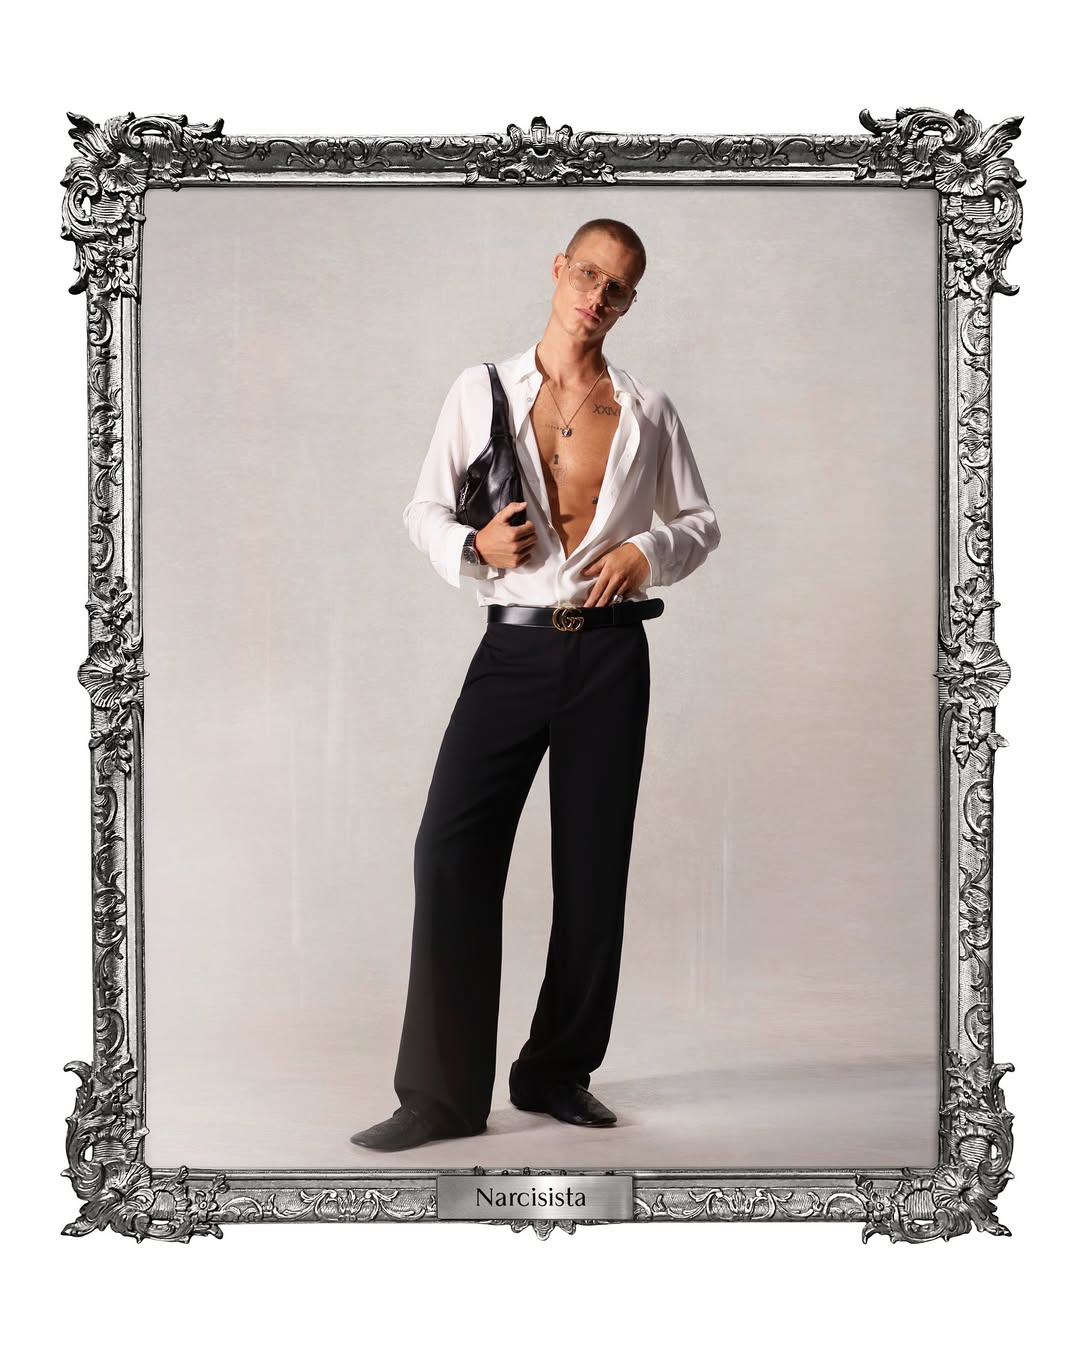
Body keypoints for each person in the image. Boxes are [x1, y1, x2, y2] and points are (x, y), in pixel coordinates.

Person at [351, 218, 720, 1151]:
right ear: (559, 270)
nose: (598, 296)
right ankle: (439, 1098)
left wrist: (648, 549)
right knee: (450, 852)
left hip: (610, 657)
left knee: (593, 871)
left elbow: (701, 521)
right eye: (588, 274)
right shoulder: (481, 390)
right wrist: (471, 544)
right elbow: (422, 507)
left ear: (630, 303)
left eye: (618, 287)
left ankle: (556, 1071)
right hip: (513, 651)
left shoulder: (646, 410)